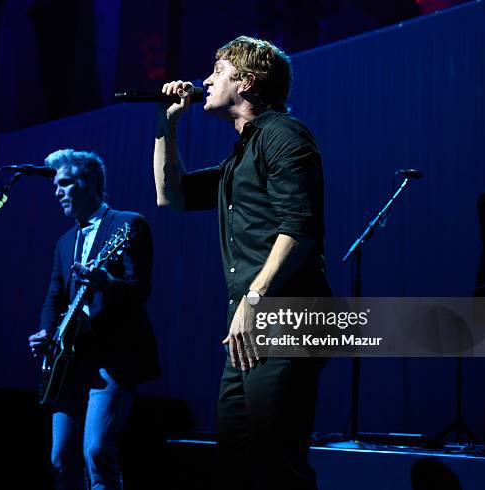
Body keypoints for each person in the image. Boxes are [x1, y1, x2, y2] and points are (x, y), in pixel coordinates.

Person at [153, 36, 331, 489]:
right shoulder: (240, 157)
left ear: (247, 81)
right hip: (251, 323)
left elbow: (301, 226)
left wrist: (254, 297)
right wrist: (166, 125)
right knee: (237, 460)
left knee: (277, 462)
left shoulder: (282, 136)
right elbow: (170, 196)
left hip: (285, 315)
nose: (206, 81)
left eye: (218, 71)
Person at [29, 149, 159, 490]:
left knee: (98, 450)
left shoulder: (128, 224)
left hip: (113, 356)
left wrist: (107, 283)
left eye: (66, 183)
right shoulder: (65, 241)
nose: (57, 192)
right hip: (68, 360)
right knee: (60, 458)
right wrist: (46, 333)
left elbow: (139, 289)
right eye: (56, 185)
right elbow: (54, 298)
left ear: (89, 184)